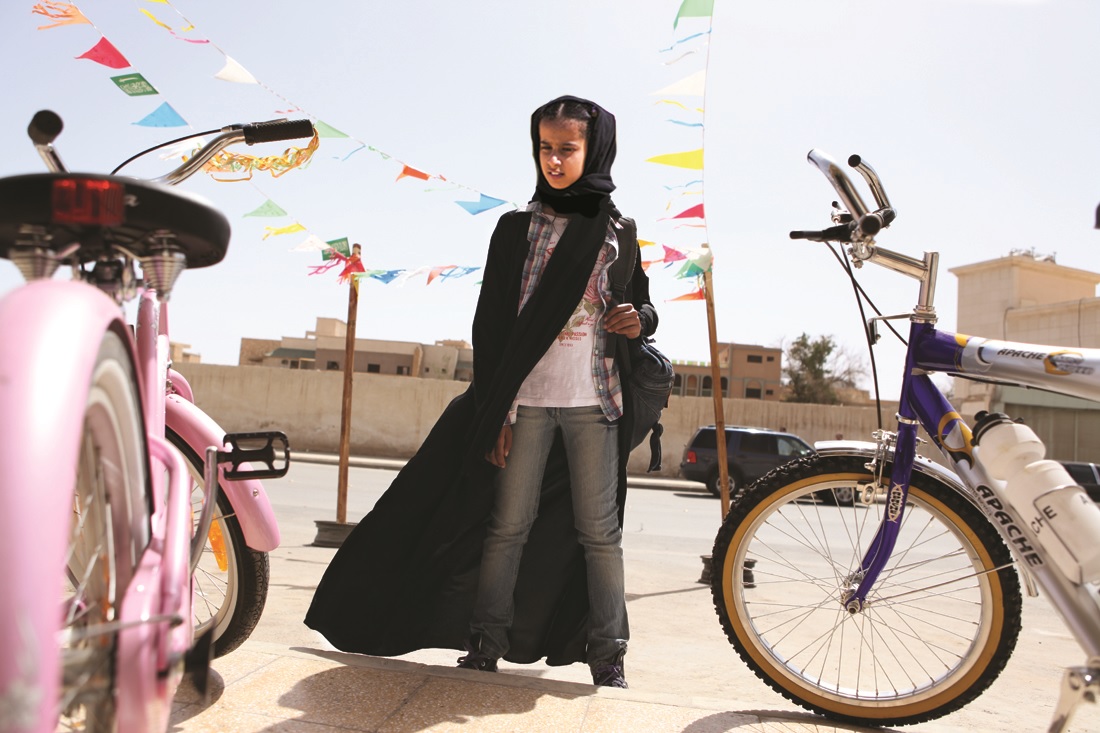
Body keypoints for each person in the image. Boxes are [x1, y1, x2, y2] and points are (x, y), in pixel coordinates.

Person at [304, 94, 657, 689]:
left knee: (600, 533)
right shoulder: (516, 228)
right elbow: (491, 326)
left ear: (594, 149)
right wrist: (497, 411)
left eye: (567, 149)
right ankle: (484, 641)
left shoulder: (618, 229)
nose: (554, 160)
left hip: (597, 402)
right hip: (525, 402)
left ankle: (608, 651)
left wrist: (639, 319)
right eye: (545, 148)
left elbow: (644, 302)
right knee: (507, 525)